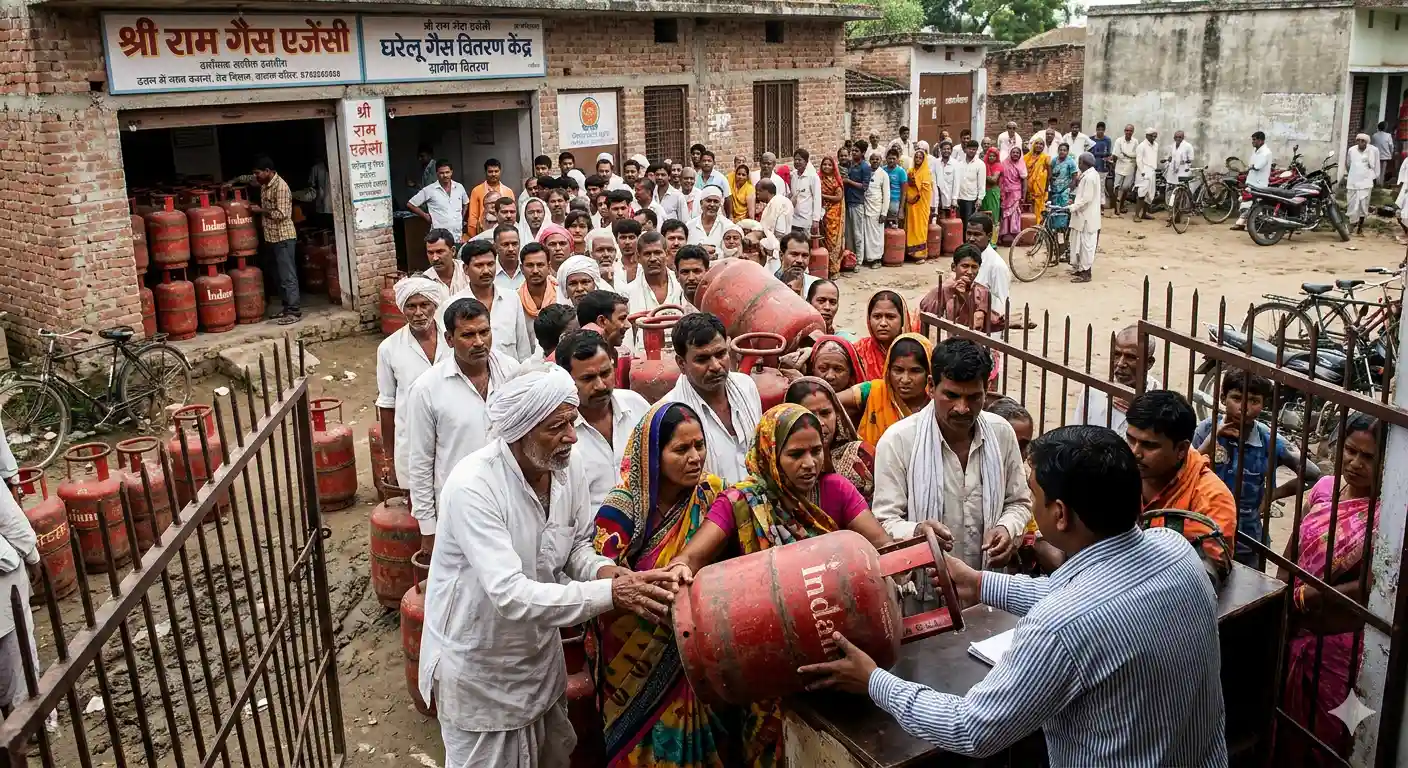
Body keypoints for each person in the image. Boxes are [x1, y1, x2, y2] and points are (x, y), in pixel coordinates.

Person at [799, 425, 1227, 767]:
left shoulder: (1060, 627)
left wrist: (874, 681)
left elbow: (972, 730)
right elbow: (1083, 592)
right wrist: (981, 582)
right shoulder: (1176, 554)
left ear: (1059, 514)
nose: (1031, 506)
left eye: (1034, 496)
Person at [420, 365, 678, 767]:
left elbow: (574, 547)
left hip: (539, 659)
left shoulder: (565, 466)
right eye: (557, 427)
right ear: (522, 431)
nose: (572, 437)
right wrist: (610, 594)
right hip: (480, 667)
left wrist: (608, 573)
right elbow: (510, 594)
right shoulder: (474, 487)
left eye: (572, 423)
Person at [588, 400, 735, 765]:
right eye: (681, 449)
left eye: (699, 445)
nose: (695, 457)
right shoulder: (622, 509)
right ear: (654, 453)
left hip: (701, 654)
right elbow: (604, 583)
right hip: (636, 660)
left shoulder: (712, 495)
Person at [870, 339, 1033, 567]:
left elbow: (1019, 503)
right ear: (930, 387)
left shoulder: (1002, 433)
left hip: (988, 585)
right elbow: (885, 520)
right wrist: (917, 531)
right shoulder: (898, 441)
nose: (962, 408)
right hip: (925, 589)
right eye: (952, 395)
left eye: (974, 397)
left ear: (987, 391)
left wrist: (1007, 529)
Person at [1278, 412, 1380, 762]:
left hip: (1339, 641)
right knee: (1284, 724)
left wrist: (1305, 598)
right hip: (1293, 622)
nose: (1355, 462)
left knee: (1328, 735)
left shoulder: (1388, 514)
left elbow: (1370, 586)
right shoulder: (1325, 488)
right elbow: (1295, 540)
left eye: (1368, 457)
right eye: (1350, 451)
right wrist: (1281, 593)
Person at [403, 297, 521, 553]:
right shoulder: (427, 388)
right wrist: (428, 528)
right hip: (458, 507)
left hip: (512, 502)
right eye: (468, 335)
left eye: (484, 332)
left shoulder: (512, 372)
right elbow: (421, 462)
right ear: (449, 339)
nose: (479, 342)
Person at [1193, 370, 1321, 567]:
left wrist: (1272, 495)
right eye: (1236, 398)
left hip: (1248, 540)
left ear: (1264, 405)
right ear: (1223, 398)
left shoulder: (1268, 440)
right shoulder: (1206, 430)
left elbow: (1313, 475)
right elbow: (1185, 469)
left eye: (1254, 401)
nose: (1244, 407)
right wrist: (1212, 440)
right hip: (1203, 532)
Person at [1125, 390, 1238, 582]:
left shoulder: (1212, 497)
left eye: (1149, 445)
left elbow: (1205, 575)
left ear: (1181, 450)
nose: (1135, 452)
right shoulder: (1120, 468)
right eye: (1131, 439)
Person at [658, 313, 763, 485]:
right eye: (702, 359)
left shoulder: (746, 387)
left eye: (721, 354)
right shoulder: (667, 412)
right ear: (681, 364)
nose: (715, 366)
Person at [553, 331, 650, 512]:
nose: (601, 385)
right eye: (588, 378)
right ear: (565, 380)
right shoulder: (558, 433)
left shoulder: (637, 406)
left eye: (605, 373)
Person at [376, 276, 449, 487]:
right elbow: (387, 404)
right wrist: (388, 458)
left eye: (424, 305)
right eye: (411, 306)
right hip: (413, 441)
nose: (418, 313)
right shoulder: (389, 349)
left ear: (434, 305)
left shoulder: (453, 339)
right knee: (420, 506)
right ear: (402, 308)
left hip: (453, 436)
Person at [446, 236, 536, 362]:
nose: (486, 271)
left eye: (490, 264)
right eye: (479, 265)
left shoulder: (512, 298)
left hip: (511, 377)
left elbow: (523, 349)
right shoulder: (452, 304)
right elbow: (449, 354)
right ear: (466, 269)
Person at [787, 377, 876, 502]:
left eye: (825, 413)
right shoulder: (780, 466)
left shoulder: (860, 456)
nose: (820, 423)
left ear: (837, 414)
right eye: (809, 414)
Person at [840, 332, 934, 448]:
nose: (905, 379)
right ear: (888, 371)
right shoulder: (873, 391)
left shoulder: (936, 405)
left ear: (928, 372)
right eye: (898, 370)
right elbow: (828, 399)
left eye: (915, 371)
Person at [1075, 324, 1158, 435]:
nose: (1120, 363)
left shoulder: (1159, 399)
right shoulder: (1094, 391)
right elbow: (1077, 432)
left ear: (1149, 363)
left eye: (1131, 357)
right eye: (1117, 355)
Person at [250, 156, 299, 325]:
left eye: (258, 173)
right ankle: (286, 308)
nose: (256, 177)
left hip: (283, 237)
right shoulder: (265, 184)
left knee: (288, 276)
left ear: (268, 171)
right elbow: (248, 179)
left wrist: (260, 210)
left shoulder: (281, 187)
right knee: (278, 276)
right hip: (271, 238)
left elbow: (282, 214)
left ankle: (294, 311)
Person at [625, 232, 686, 342]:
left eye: (657, 253)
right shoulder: (627, 293)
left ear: (667, 254)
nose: (653, 258)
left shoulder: (681, 286)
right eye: (647, 254)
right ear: (638, 258)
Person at [919, 245, 991, 331]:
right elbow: (927, 320)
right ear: (953, 267)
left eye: (974, 267)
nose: (970, 272)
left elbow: (978, 326)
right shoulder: (942, 290)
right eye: (965, 266)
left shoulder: (983, 292)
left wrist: (966, 296)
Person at [963, 214, 1012, 326]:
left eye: (977, 235)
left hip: (987, 329)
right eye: (968, 233)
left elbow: (1001, 305)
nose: (971, 239)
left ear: (989, 236)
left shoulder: (996, 266)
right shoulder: (965, 257)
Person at [853, 290, 912, 381]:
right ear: (869, 319)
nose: (883, 323)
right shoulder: (858, 351)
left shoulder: (915, 351)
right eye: (877, 317)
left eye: (890, 317)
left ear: (903, 319)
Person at [407, 160, 470, 241]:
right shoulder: (429, 189)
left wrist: (462, 216)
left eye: (447, 172)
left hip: (457, 235)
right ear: (437, 173)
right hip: (439, 237)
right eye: (442, 173)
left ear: (451, 172)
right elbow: (411, 204)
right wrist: (425, 216)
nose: (445, 175)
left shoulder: (459, 187)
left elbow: (466, 202)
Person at [1068, 152, 1103, 283]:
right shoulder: (1088, 175)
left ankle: (1086, 273)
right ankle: (1081, 269)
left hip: (1087, 218)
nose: (1078, 164)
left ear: (1084, 163)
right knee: (1079, 244)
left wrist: (1074, 206)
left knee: (1086, 246)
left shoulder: (1090, 177)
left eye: (1079, 161)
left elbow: (1087, 198)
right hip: (1082, 216)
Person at [842, 143, 873, 272]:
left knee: (857, 234)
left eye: (856, 151)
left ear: (863, 152)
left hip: (857, 202)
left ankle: (859, 261)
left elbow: (864, 186)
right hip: (848, 202)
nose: (853, 153)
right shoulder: (850, 164)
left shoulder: (865, 167)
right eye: (852, 150)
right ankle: (850, 259)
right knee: (848, 234)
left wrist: (848, 182)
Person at [1234, 131, 1273, 230]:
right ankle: (1244, 222)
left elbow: (1257, 166)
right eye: (1253, 140)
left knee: (1254, 203)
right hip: (1252, 181)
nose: (1253, 142)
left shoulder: (1266, 152)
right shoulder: (1255, 151)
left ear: (1261, 140)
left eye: (1254, 140)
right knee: (1246, 201)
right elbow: (1251, 165)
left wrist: (1249, 168)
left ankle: (1250, 223)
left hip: (1260, 183)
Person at [467, 158, 513, 236]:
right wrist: (474, 236)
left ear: (500, 171)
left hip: (504, 232)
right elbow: (473, 217)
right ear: (485, 172)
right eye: (490, 172)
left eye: (496, 171)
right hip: (482, 232)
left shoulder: (508, 191)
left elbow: (511, 214)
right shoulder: (477, 191)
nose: (493, 174)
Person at [905, 142, 935, 261]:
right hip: (910, 204)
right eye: (916, 157)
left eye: (920, 157)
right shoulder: (910, 171)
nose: (918, 159)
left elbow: (926, 189)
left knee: (920, 228)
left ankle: (920, 254)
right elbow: (906, 185)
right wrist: (909, 197)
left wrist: (914, 183)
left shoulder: (926, 172)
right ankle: (910, 254)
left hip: (921, 205)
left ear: (924, 159)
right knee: (910, 227)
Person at [516, 242, 557, 328]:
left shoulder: (561, 295)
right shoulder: (515, 300)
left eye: (540, 265)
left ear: (549, 267)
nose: (535, 270)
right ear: (521, 269)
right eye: (530, 265)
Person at [859, 149, 888, 270]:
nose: (875, 161)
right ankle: (867, 258)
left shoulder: (883, 175)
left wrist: (884, 212)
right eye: (872, 159)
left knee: (877, 236)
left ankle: (877, 259)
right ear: (869, 161)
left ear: (881, 161)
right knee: (866, 235)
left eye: (877, 159)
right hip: (866, 208)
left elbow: (886, 195)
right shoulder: (866, 172)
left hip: (877, 210)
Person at [1346, 133, 1379, 235]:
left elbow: (1376, 167)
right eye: (1358, 140)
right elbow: (1348, 164)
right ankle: (1352, 225)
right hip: (1353, 183)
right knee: (1351, 205)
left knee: (1363, 206)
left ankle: (1360, 227)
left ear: (1367, 142)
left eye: (1363, 141)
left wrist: (1371, 178)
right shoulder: (1351, 150)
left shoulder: (1373, 151)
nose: (1360, 142)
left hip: (1366, 184)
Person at [817, 155, 845, 272]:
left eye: (829, 165)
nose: (826, 167)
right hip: (821, 212)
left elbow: (839, 197)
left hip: (834, 214)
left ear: (833, 167)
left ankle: (834, 269)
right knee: (822, 239)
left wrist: (823, 196)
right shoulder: (818, 179)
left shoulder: (835, 180)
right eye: (824, 164)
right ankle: (824, 267)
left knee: (833, 241)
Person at [421, 227, 470, 295]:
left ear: (453, 251)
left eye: (440, 252)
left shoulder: (468, 272)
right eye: (430, 253)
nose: (435, 258)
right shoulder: (424, 281)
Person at [996, 146, 1028, 245]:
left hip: (1016, 193)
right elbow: (1000, 178)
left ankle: (1015, 237)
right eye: (1013, 152)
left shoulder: (1021, 164)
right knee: (1005, 215)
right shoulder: (1004, 163)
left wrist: (1024, 195)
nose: (1015, 154)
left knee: (1014, 214)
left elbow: (1024, 180)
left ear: (1020, 155)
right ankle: (1002, 236)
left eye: (1017, 153)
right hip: (1005, 192)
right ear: (1010, 153)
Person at [777, 231, 819, 298]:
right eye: (794, 254)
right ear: (781, 256)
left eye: (805, 255)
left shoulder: (816, 286)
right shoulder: (769, 283)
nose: (800, 260)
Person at [790, 148, 823, 234]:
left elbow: (817, 198)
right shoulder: (793, 176)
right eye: (795, 160)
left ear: (806, 161)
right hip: (794, 219)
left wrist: (816, 220)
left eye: (799, 160)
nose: (797, 162)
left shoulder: (813, 177)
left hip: (806, 219)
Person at [686, 186, 729, 252]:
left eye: (716, 201)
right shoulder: (689, 226)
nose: (712, 204)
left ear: (720, 204)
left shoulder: (727, 226)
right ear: (701, 203)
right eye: (708, 201)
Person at [1111, 124, 1138, 216]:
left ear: (1133, 132)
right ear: (1124, 131)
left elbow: (1135, 155)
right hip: (1119, 166)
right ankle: (1115, 208)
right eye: (1127, 130)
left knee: (1126, 188)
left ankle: (1122, 205)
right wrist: (1114, 162)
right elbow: (1116, 154)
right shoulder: (1119, 141)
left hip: (1130, 167)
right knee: (1116, 187)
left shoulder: (1135, 142)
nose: (1128, 132)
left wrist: (1126, 155)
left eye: (1130, 131)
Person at [955, 141, 985, 225]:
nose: (972, 151)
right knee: (960, 223)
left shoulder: (980, 164)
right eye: (970, 149)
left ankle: (968, 238)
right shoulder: (959, 163)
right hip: (960, 198)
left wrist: (980, 199)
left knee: (969, 223)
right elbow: (957, 181)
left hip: (971, 199)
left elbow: (982, 183)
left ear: (976, 151)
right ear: (965, 149)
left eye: (974, 149)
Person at [1023, 137, 1050, 228]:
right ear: (1034, 145)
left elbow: (1050, 175)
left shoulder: (1046, 158)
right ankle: (1028, 231)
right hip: (1028, 190)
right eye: (1037, 143)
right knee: (1028, 212)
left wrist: (1046, 189)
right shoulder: (1026, 157)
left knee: (1039, 211)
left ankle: (1038, 230)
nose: (1039, 145)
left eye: (1041, 144)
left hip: (1039, 191)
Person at [1164, 130, 1195, 208]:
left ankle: (1181, 208)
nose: (1178, 138)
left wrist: (1184, 162)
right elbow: (1170, 156)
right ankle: (1173, 208)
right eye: (1176, 137)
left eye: (1180, 137)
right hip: (1173, 170)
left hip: (1182, 170)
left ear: (1183, 137)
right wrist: (1169, 160)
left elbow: (1191, 159)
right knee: (1172, 190)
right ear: (1174, 138)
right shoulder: (1172, 146)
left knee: (1181, 190)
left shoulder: (1188, 146)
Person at [931, 141, 958, 218]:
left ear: (951, 150)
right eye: (944, 149)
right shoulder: (935, 163)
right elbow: (933, 181)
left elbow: (957, 183)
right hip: (938, 198)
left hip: (950, 199)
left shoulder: (955, 163)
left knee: (949, 223)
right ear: (940, 150)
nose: (946, 151)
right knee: (938, 222)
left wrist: (954, 199)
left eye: (948, 149)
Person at [1047, 143, 1078, 211]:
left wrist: (1070, 189)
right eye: (1060, 150)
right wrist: (1051, 184)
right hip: (1054, 189)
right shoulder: (1054, 160)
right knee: (1054, 208)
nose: (1062, 152)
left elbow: (1074, 176)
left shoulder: (1071, 162)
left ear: (1067, 152)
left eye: (1064, 150)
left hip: (1065, 189)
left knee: (1063, 208)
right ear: (1058, 151)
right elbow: (1050, 173)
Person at [979, 147, 1002, 239]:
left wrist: (982, 174)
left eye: (994, 156)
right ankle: (984, 239)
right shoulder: (984, 165)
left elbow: (993, 180)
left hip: (993, 193)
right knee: (984, 217)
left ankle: (993, 241)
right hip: (983, 192)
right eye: (990, 156)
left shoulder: (998, 165)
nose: (991, 158)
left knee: (993, 217)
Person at [884, 148, 910, 225]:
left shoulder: (901, 172)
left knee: (893, 227)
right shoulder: (882, 169)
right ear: (886, 158)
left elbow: (904, 192)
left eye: (894, 158)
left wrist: (901, 209)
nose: (891, 160)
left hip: (894, 203)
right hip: (883, 202)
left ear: (898, 159)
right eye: (889, 158)